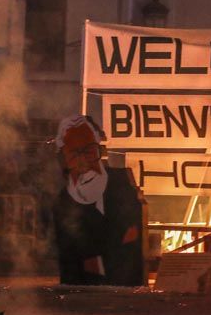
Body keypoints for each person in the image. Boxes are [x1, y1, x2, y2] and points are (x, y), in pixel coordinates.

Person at [52, 115, 146, 286]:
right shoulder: (64, 202)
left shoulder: (121, 187)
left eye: (89, 151)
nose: (83, 163)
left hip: (126, 291)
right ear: (64, 161)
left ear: (101, 152)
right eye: (74, 154)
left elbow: (131, 242)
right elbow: (71, 262)